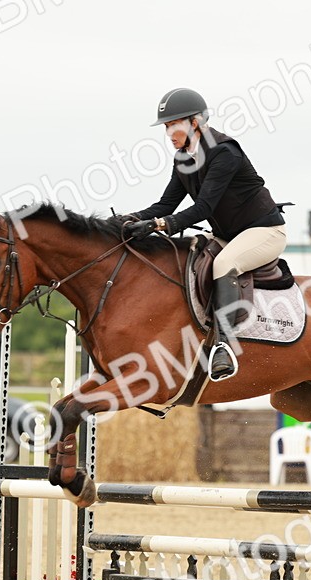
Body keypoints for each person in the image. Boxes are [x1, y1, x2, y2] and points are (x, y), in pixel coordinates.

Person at [120, 88, 287, 382]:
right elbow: (165, 205)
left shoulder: (224, 152)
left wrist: (159, 226)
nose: (169, 132)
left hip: (264, 231)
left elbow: (203, 207)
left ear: (194, 122)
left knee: (224, 265)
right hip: (228, 234)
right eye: (166, 126)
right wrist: (128, 219)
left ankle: (223, 346)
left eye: (174, 125)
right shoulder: (183, 158)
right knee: (189, 259)